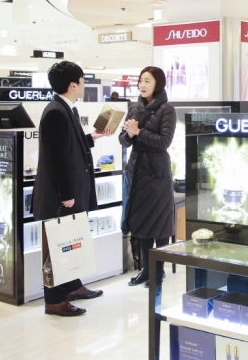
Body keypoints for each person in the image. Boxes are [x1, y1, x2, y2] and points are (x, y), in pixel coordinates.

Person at [33, 61, 114, 317]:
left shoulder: (67, 109)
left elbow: (71, 145)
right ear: (72, 84)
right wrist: (66, 194)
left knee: (69, 241)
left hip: (71, 192)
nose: (84, 85)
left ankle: (72, 286)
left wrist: (95, 136)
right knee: (57, 246)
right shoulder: (56, 112)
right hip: (61, 196)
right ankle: (54, 300)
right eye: (82, 80)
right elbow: (56, 158)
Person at [119, 66, 177, 288]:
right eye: (141, 81)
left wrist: (139, 132)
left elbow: (164, 142)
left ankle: (158, 271)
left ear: (158, 84)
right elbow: (123, 140)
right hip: (136, 172)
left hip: (157, 173)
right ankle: (146, 270)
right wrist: (130, 134)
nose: (142, 85)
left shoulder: (167, 109)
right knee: (141, 222)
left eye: (147, 81)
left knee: (160, 224)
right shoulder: (134, 108)